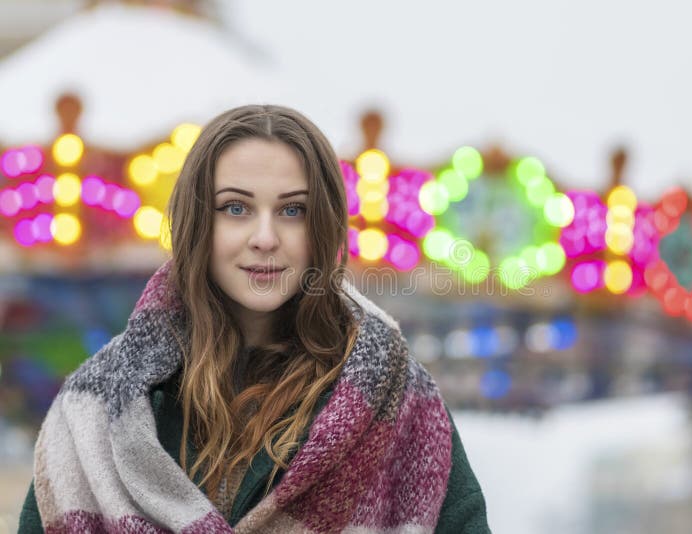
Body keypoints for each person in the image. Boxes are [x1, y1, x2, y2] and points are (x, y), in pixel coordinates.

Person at [19, 105, 489, 533]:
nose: (265, 238)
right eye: (235, 208)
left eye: (292, 210)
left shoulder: (399, 401)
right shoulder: (93, 410)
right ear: (196, 222)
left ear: (323, 226)